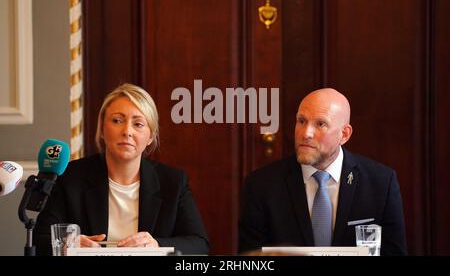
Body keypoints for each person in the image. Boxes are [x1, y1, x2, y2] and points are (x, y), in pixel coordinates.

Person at [34, 83, 209, 255]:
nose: (127, 131)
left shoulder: (173, 182)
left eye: (138, 124)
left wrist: (156, 245)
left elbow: (199, 244)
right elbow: (39, 239)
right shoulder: (71, 177)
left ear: (150, 136)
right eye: (117, 120)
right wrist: (68, 244)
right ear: (102, 129)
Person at [238, 88, 407, 255]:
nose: (306, 133)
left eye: (320, 124)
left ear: (344, 134)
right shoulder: (261, 186)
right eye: (302, 121)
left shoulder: (381, 183)